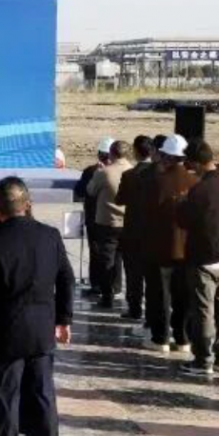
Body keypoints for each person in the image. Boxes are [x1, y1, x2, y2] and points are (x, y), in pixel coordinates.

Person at [0, 177, 74, 436]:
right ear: (27, 204)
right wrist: (64, 319)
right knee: (43, 394)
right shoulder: (50, 235)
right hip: (42, 329)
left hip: (6, 332)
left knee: (4, 397)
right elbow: (66, 279)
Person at [176, 141, 219, 376]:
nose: (189, 169)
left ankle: (203, 361)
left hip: (203, 258)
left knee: (203, 311)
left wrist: (181, 203)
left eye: (190, 164)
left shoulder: (199, 190)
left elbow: (184, 221)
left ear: (198, 163)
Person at [143, 135, 197, 353]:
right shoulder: (195, 182)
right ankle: (183, 339)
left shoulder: (155, 182)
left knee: (160, 296)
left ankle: (161, 338)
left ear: (165, 156)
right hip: (186, 250)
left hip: (160, 249)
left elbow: (146, 216)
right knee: (183, 296)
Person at [86, 140, 132, 309]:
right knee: (122, 259)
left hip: (107, 222)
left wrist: (97, 173)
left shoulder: (104, 172)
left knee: (106, 259)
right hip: (128, 222)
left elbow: (90, 191)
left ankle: (107, 296)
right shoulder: (133, 171)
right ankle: (120, 288)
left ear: (111, 153)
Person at [115, 135, 156, 320]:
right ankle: (153, 312)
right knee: (153, 276)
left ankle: (134, 308)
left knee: (133, 274)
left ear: (136, 152)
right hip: (153, 232)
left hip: (133, 231)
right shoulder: (159, 174)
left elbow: (119, 199)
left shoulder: (130, 175)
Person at [74, 137, 113, 298]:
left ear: (99, 154)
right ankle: (114, 286)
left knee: (96, 253)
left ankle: (97, 285)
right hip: (115, 219)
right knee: (114, 255)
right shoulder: (124, 171)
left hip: (94, 219)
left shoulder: (91, 171)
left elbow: (80, 192)